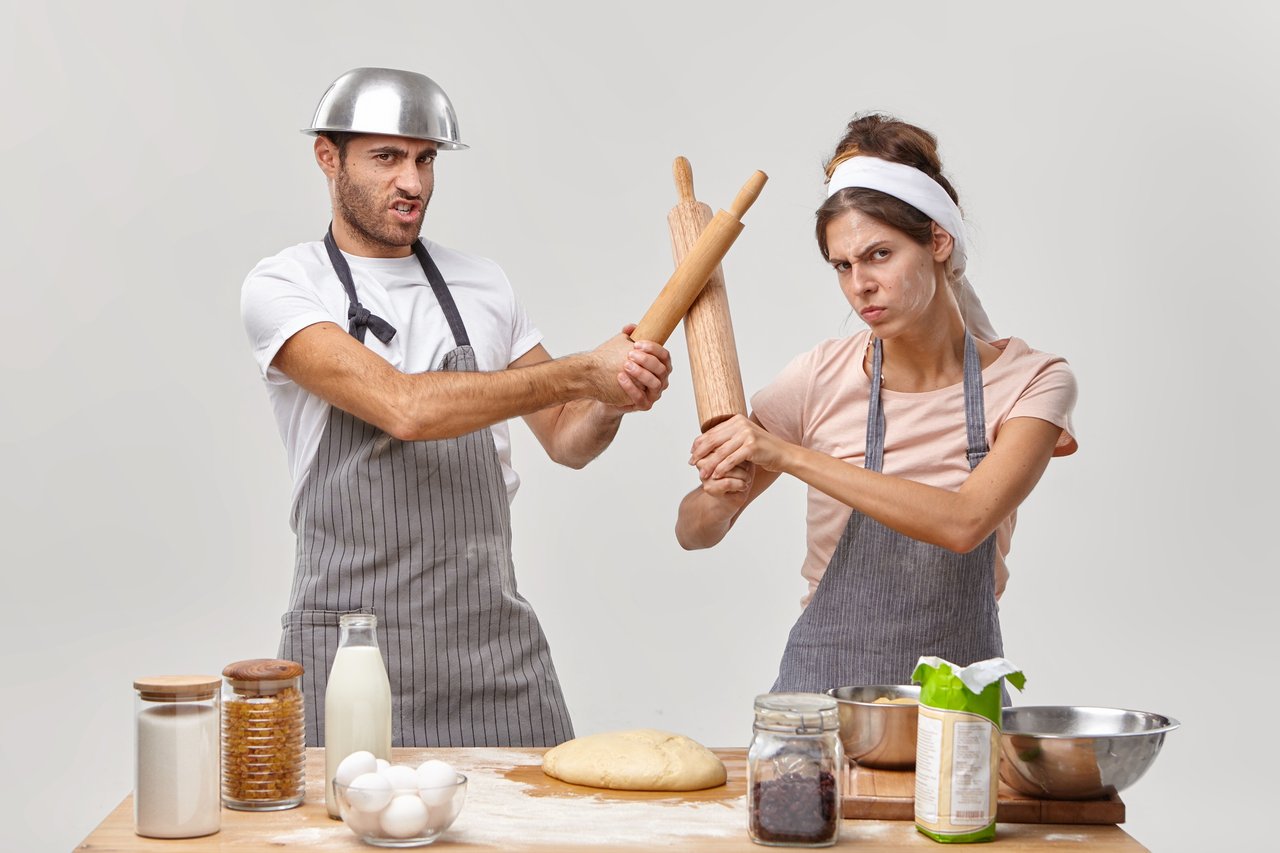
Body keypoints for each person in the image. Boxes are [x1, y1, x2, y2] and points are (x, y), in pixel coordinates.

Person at [240, 68, 672, 747]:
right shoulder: (287, 285)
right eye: (386, 158)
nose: (412, 183)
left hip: (493, 651)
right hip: (353, 653)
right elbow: (403, 406)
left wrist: (609, 397)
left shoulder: (483, 282)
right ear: (328, 158)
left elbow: (566, 439)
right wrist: (583, 370)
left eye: (425, 159)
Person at [676, 114, 1077, 693]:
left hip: (957, 705)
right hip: (824, 699)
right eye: (843, 265)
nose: (859, 284)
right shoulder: (819, 377)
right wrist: (718, 494)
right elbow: (693, 532)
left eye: (880, 255)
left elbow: (964, 522)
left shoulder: (1032, 382)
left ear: (938, 240)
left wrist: (788, 456)